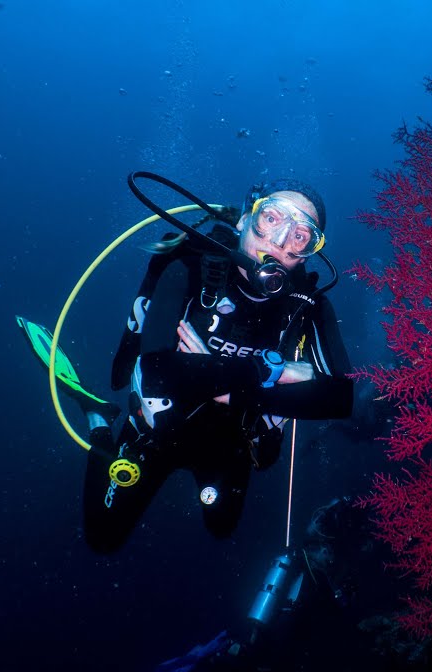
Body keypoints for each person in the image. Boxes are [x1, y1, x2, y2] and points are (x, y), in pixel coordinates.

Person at [80, 178, 354, 554]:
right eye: (271, 219)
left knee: (222, 527)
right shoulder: (188, 269)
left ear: (307, 252)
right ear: (245, 219)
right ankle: (98, 422)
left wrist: (214, 379)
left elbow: (341, 397)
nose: (279, 240)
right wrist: (268, 373)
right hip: (156, 430)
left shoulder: (308, 307)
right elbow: (158, 371)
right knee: (102, 537)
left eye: (300, 235)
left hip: (228, 445)